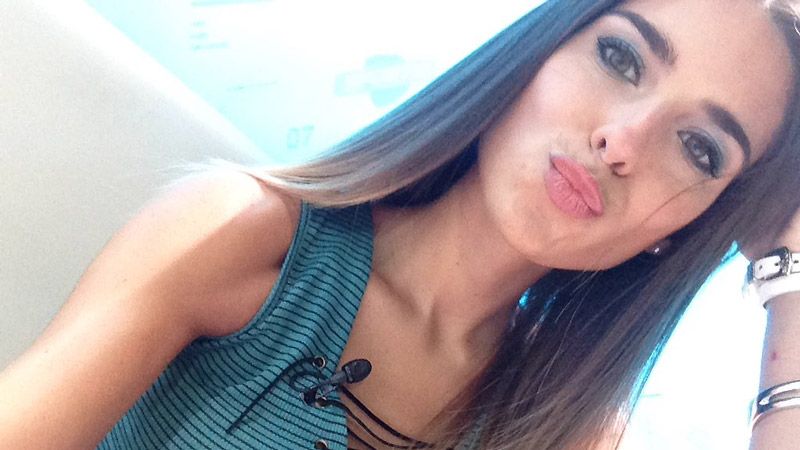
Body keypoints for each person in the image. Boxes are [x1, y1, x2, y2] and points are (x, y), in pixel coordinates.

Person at [2, 0, 800, 448]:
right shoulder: (246, 239)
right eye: (621, 58)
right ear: (536, 53)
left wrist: (789, 278)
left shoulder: (569, 427)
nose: (622, 142)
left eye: (698, 149)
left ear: (692, 226)